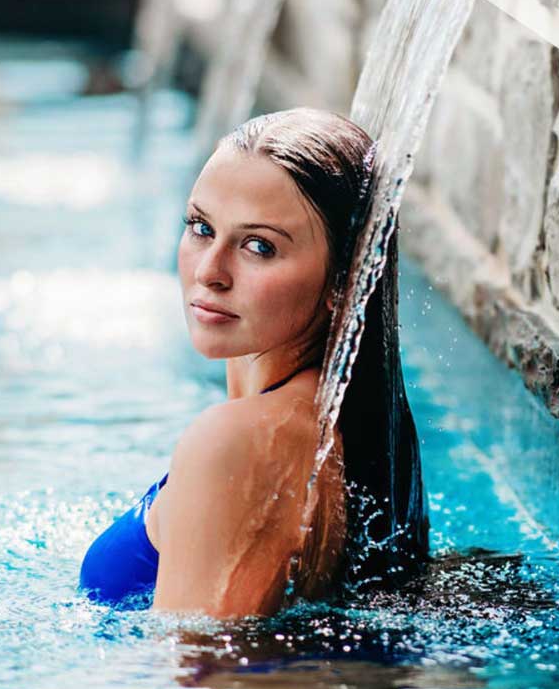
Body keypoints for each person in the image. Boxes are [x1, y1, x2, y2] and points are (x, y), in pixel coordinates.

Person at [79, 108, 430, 617]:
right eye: (201, 227)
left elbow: (200, 683)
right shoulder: (340, 424)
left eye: (259, 246)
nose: (209, 271)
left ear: (343, 283)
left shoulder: (238, 442)